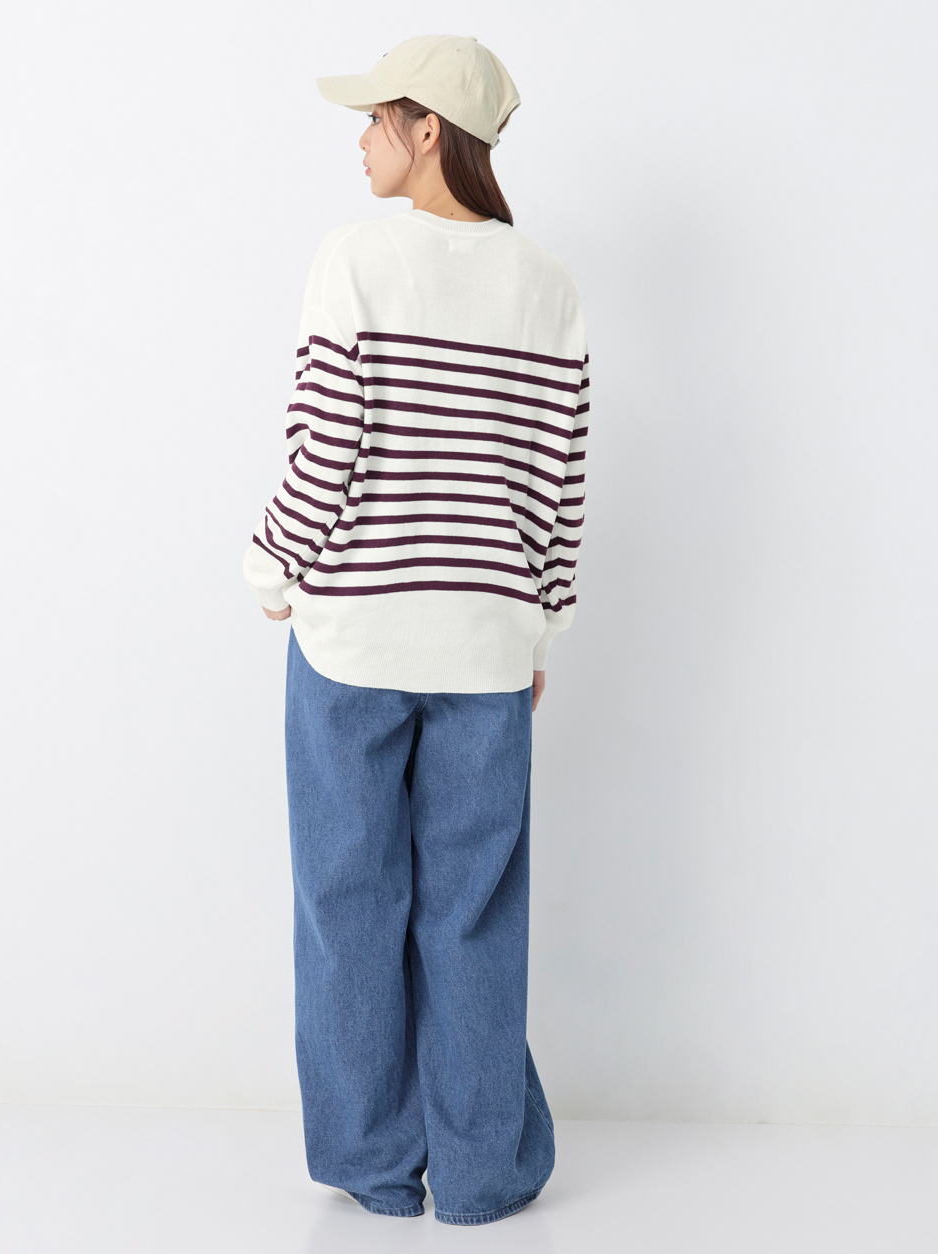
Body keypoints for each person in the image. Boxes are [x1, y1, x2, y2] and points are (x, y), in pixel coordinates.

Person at [243, 33, 589, 1226]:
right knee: (473, 913)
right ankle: (484, 1175)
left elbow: (323, 447)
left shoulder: (356, 260)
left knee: (349, 907)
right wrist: (537, 631)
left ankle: (375, 1167)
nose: (360, 141)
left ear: (427, 128)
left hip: (353, 640)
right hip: (486, 647)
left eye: (374, 118)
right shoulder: (547, 285)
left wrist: (272, 569)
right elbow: (557, 483)